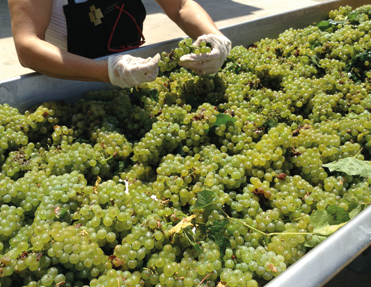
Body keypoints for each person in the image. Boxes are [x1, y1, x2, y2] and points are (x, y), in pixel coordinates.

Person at [8, 0, 232, 89]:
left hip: (138, 75)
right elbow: (28, 46)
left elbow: (180, 5)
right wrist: (109, 71)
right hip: (70, 85)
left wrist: (215, 38)